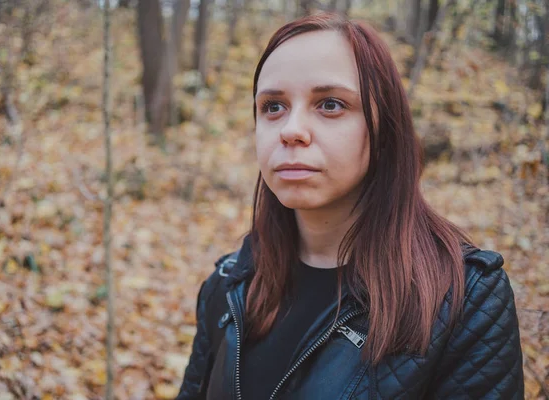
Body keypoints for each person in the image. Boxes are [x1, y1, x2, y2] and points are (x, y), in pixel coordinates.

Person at [176, 12, 524, 400]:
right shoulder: (228, 285)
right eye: (273, 106)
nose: (291, 130)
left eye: (330, 104)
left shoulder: (464, 299)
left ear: (384, 128)